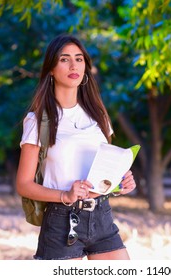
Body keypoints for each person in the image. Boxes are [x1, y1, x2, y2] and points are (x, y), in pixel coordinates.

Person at [16, 34, 136, 260]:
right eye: (64, 59)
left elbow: (103, 170)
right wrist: (65, 195)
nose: (73, 65)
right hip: (62, 220)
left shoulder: (98, 115)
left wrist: (120, 183)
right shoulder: (39, 120)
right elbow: (23, 184)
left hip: (101, 216)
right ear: (51, 69)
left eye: (79, 59)